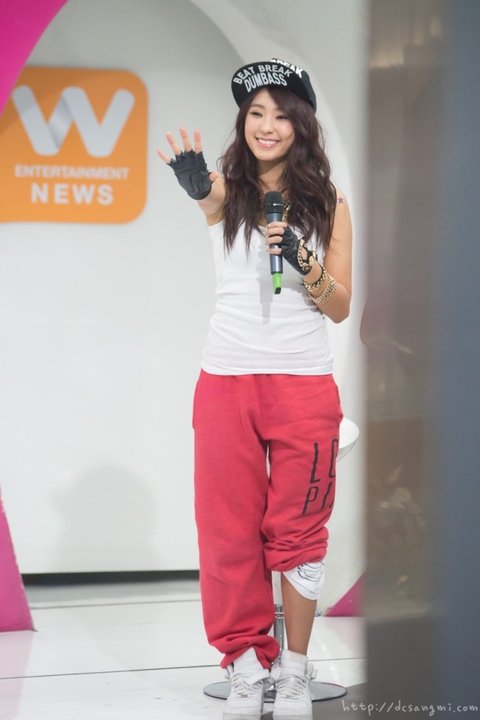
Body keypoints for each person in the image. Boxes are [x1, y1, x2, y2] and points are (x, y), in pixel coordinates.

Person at [157, 58, 352, 720]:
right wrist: (195, 184)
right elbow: (208, 195)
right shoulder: (229, 191)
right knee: (227, 532)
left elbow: (339, 306)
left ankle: (295, 670)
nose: (267, 126)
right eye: (255, 113)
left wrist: (302, 259)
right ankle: (245, 665)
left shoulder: (330, 205)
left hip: (303, 384)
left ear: (302, 125)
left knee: (299, 532)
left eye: (280, 115)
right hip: (225, 381)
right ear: (243, 122)